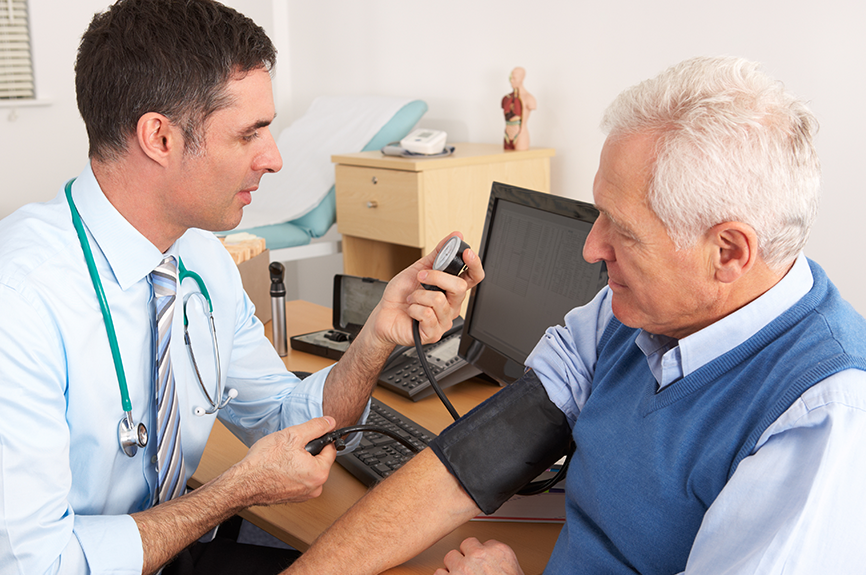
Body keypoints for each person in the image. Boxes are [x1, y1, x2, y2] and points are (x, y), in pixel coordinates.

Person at [0, 0, 483, 575]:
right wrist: (233, 491)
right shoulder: (9, 301)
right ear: (159, 137)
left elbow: (291, 421)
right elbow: (29, 567)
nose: (274, 158)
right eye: (249, 133)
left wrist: (375, 341)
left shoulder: (202, 262)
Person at [283, 56, 866, 574]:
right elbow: (467, 466)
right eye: (599, 214)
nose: (592, 248)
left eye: (624, 231)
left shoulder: (821, 421)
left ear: (729, 253)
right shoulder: (630, 313)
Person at [501, 67, 536, 150]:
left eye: (514, 78)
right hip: (507, 135)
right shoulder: (506, 98)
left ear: (521, 78)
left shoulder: (529, 98)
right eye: (511, 78)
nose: (511, 81)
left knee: (521, 159)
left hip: (521, 135)